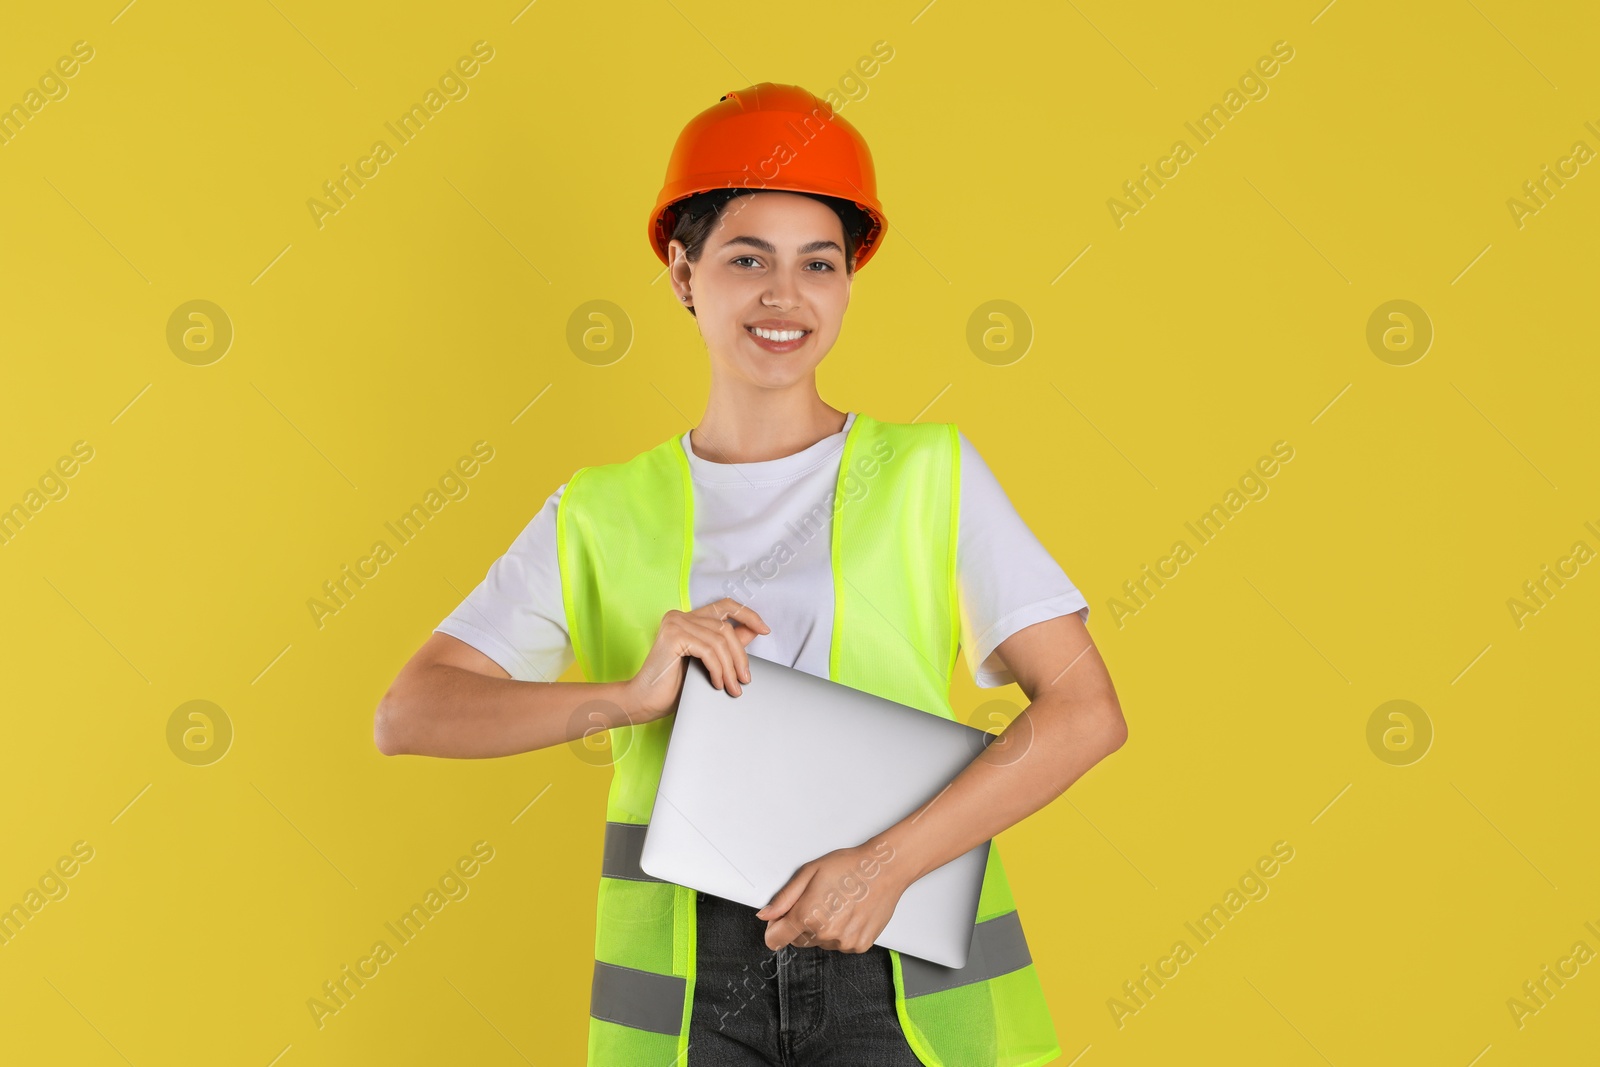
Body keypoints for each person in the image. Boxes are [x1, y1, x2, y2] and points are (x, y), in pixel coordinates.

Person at [375, 83, 1127, 1067]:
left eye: (818, 263)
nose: (785, 295)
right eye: (746, 259)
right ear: (684, 274)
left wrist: (880, 865)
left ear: (849, 280)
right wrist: (622, 697)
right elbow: (413, 711)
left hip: (891, 966)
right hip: (691, 984)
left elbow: (1084, 712)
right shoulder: (603, 507)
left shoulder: (929, 471)